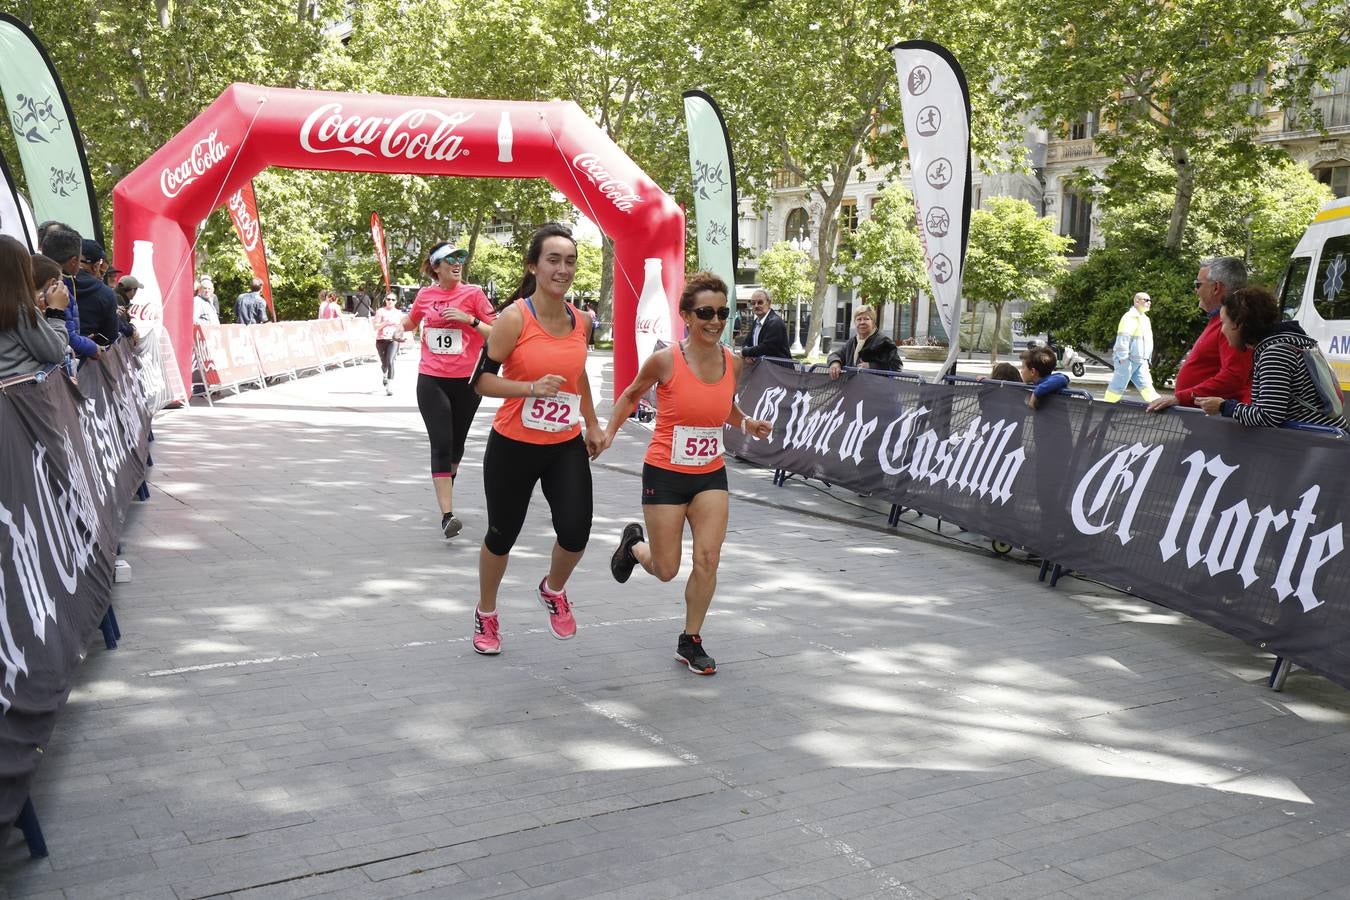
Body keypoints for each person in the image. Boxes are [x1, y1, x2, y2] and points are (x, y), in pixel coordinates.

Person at [603, 272, 772, 675]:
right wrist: (607, 432)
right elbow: (630, 394)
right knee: (666, 569)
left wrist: (746, 423)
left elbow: (720, 405)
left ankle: (690, 639)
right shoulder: (665, 359)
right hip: (664, 473)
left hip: (710, 473)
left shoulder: (732, 361)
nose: (715, 321)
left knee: (709, 558)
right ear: (686, 315)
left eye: (722, 312)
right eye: (705, 313)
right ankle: (633, 546)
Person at [470, 223, 605, 655]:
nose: (562, 269)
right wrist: (529, 388)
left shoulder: (582, 320)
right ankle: (486, 614)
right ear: (534, 265)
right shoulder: (513, 318)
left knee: (576, 531)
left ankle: (553, 588)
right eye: (553, 259)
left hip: (563, 443)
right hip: (513, 444)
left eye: (569, 261)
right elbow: (481, 383)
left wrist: (593, 423)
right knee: (501, 534)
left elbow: (578, 373)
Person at [403, 243, 496, 538]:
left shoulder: (474, 294)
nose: (457, 263)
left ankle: (446, 486)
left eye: (461, 258)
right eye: (450, 259)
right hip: (431, 380)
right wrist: (394, 328)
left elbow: (497, 333)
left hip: (468, 382)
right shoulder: (425, 295)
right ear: (436, 266)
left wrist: (470, 320)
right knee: (442, 443)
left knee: (456, 447)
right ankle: (447, 515)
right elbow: (410, 322)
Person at [1196, 286, 1349, 430]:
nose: (1222, 330)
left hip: (1316, 445)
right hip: (1326, 440)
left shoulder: (1275, 353)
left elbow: (1269, 416)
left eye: (1223, 322)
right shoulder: (1292, 342)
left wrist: (1224, 406)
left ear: (1237, 323)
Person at [1148, 257, 1253, 413]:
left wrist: (1181, 397)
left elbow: (1234, 376)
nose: (1196, 290)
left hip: (1219, 423)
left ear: (1216, 287)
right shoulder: (1222, 319)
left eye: (1198, 284)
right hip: (1210, 419)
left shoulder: (1233, 323)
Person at [0, 241, 69, 379]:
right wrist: (56, 312)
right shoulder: (18, 309)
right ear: (20, 271)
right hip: (22, 395)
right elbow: (56, 353)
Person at [38, 226, 98, 363]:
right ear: (74, 261)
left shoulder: (38, 281)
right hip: (59, 364)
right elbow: (65, 335)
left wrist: (82, 341)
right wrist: (91, 347)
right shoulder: (58, 289)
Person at [1104, 291, 1158, 403]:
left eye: (1150, 300)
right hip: (1128, 359)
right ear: (1137, 301)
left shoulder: (1145, 319)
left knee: (1146, 385)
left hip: (1140, 360)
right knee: (1118, 385)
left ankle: (1158, 405)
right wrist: (1123, 358)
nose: (1149, 303)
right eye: (1146, 300)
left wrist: (1147, 359)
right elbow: (1123, 339)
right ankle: (1106, 405)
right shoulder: (1129, 317)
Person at [827, 304, 902, 378]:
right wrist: (835, 363)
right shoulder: (852, 341)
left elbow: (897, 366)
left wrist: (871, 366)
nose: (862, 322)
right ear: (855, 322)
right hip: (853, 387)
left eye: (866, 319)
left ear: (873, 322)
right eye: (859, 319)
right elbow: (835, 355)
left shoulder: (884, 342)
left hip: (876, 388)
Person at [75, 240, 123, 345]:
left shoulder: (56, 282)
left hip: (54, 351)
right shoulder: (106, 293)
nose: (101, 276)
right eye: (102, 272)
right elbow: (111, 335)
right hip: (88, 355)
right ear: (96, 266)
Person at [740, 288, 791, 360]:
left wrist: (745, 352)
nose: (756, 306)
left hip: (778, 369)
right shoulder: (756, 322)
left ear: (769, 303)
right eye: (753, 303)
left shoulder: (775, 322)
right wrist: (748, 355)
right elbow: (747, 342)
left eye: (760, 302)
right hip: (764, 368)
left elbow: (767, 347)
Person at [373, 292, 403, 395]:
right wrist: (385, 323)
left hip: (393, 340)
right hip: (381, 340)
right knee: (384, 363)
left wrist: (401, 336)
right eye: (388, 299)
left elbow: (401, 327)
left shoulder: (399, 313)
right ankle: (384, 374)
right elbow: (375, 327)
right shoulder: (380, 311)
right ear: (385, 300)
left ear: (396, 301)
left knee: (390, 361)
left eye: (393, 300)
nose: (390, 301)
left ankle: (390, 386)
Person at [1021, 346, 1069, 410]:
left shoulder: (1053, 380)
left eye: (1023, 367)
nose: (1021, 371)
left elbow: (1062, 379)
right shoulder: (1040, 383)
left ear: (1032, 371)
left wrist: (1035, 393)